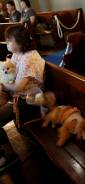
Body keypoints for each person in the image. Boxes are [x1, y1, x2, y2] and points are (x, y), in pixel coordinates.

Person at [0, 25, 45, 172]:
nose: (6, 42)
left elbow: (18, 86)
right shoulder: (17, 54)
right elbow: (10, 76)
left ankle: (8, 156)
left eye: (9, 40)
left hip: (29, 101)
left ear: (20, 41)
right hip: (19, 98)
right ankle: (6, 154)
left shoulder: (30, 57)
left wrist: (4, 85)